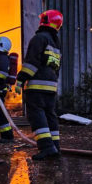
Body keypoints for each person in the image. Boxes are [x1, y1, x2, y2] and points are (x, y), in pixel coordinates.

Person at [15, 9, 63, 160]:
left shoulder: (39, 38)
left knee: (37, 115)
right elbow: (57, 68)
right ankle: (55, 147)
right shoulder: (55, 43)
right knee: (50, 116)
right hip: (51, 86)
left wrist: (20, 79)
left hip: (37, 86)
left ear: (45, 20)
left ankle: (47, 148)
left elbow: (32, 63)